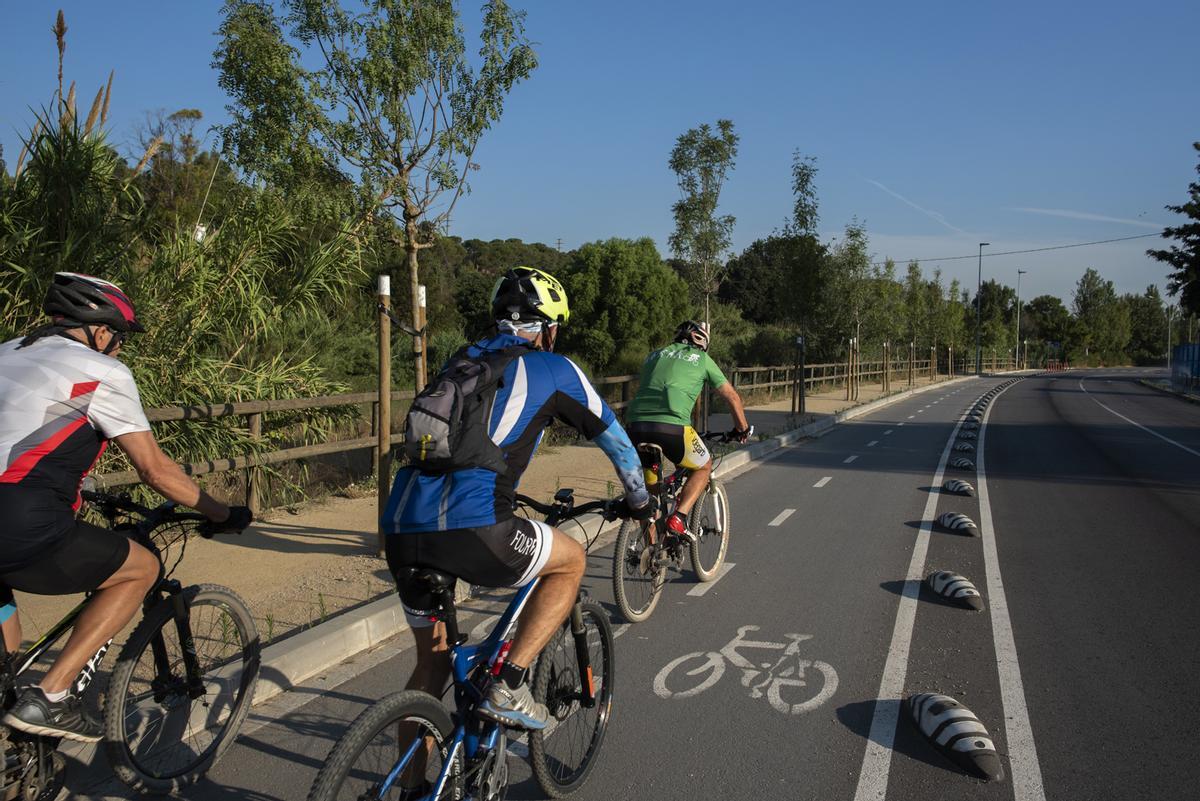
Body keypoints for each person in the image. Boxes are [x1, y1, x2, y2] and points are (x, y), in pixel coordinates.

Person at [383, 266, 653, 732]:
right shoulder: (554, 367)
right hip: (476, 523)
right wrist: (641, 503)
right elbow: (617, 442)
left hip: (401, 526)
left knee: (432, 666)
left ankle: (411, 789)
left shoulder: (462, 362)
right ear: (548, 328)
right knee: (569, 562)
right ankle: (508, 682)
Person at [0, 272, 250, 742]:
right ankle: (52, 697)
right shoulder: (103, 372)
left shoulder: (8, 351)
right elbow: (155, 471)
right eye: (119, 337)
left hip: (14, 518)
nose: (119, 348)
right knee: (141, 568)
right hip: (20, 522)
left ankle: (13, 708)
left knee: (6, 674)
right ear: (99, 331)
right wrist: (223, 512)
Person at [626, 320, 752, 542]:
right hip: (672, 427)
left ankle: (652, 552)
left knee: (651, 493)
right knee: (703, 466)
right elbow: (731, 396)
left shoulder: (654, 355)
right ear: (703, 342)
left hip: (636, 427)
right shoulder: (702, 359)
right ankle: (679, 517)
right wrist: (741, 429)